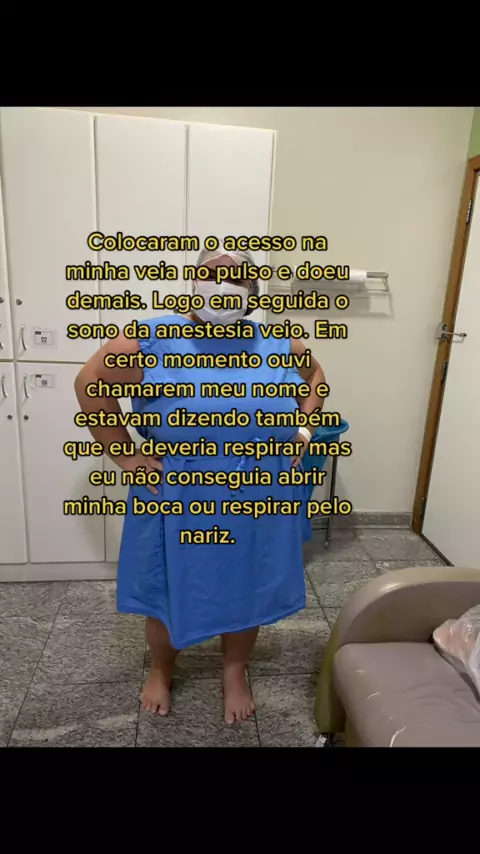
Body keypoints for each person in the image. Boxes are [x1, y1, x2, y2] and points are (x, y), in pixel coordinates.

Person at [74, 244, 326, 724]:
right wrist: (126, 455)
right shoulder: (153, 339)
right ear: (193, 285)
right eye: (212, 274)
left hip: (258, 494)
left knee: (247, 586)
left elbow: (315, 376)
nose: (222, 285)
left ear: (253, 292)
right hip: (179, 494)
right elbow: (90, 383)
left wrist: (303, 430)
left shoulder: (277, 343)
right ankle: (161, 669)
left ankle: (234, 671)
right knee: (168, 589)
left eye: (236, 277)